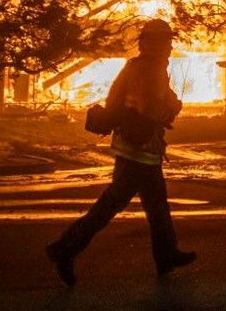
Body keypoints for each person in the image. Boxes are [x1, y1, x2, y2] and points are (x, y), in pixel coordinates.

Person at [45, 18, 197, 286]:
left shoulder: (143, 67)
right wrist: (172, 109)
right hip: (137, 151)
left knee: (157, 205)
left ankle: (166, 255)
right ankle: (64, 249)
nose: (169, 47)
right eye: (165, 41)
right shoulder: (149, 69)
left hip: (143, 149)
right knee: (110, 206)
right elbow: (147, 107)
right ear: (151, 43)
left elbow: (149, 99)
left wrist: (170, 102)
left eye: (169, 41)